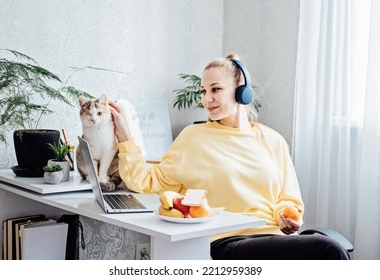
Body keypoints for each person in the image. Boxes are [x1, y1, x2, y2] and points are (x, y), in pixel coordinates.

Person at [108, 53, 350, 260]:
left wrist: (287, 215)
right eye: (204, 91)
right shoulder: (193, 137)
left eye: (216, 90)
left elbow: (289, 198)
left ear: (242, 92)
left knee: (327, 248)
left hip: (275, 238)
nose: (206, 99)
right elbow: (146, 182)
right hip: (227, 242)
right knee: (328, 249)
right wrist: (124, 136)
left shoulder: (272, 139)